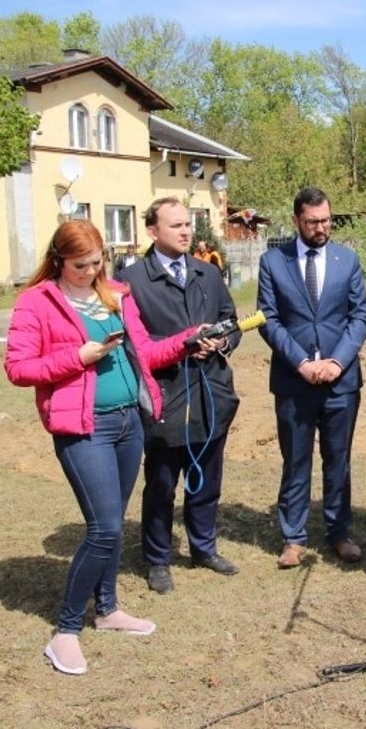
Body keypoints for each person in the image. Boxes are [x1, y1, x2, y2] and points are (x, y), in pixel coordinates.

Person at [4, 220, 201, 675]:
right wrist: (77, 357)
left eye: (97, 263)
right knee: (105, 527)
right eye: (80, 266)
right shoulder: (37, 301)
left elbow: (144, 352)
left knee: (113, 523)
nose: (90, 272)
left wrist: (187, 342)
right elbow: (18, 367)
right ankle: (65, 632)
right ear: (59, 260)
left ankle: (108, 609)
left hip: (129, 424)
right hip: (82, 429)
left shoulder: (115, 293)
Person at [117, 198, 243, 594]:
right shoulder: (133, 282)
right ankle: (157, 558)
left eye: (187, 224)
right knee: (161, 483)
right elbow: (136, 344)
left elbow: (232, 322)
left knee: (206, 481)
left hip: (212, 393)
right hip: (167, 396)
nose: (186, 232)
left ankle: (203, 548)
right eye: (176, 226)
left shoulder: (208, 273)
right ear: (153, 232)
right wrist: (184, 344)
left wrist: (223, 339)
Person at [256, 187, 366, 568]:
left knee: (338, 459)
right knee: (296, 460)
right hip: (294, 380)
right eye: (312, 221)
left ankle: (340, 533)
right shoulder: (274, 262)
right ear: (296, 221)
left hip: (341, 382)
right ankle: (293, 538)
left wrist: (337, 362)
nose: (321, 228)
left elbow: (359, 318)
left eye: (326, 220)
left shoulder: (347, 260)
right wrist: (301, 362)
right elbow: (268, 320)